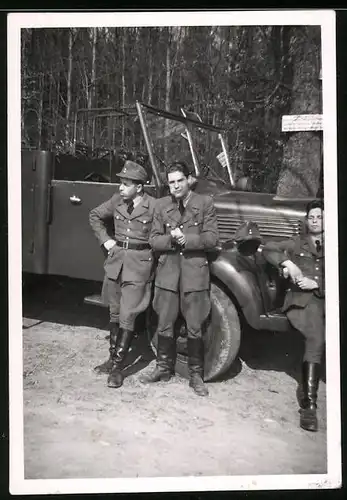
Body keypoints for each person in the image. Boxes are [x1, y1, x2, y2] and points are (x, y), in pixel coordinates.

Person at [140, 161, 219, 396]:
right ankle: (163, 368)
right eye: (171, 182)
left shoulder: (204, 203)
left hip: (194, 273)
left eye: (179, 180)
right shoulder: (161, 205)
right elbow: (153, 240)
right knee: (164, 321)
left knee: (195, 325)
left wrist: (188, 240)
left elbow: (212, 238)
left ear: (189, 180)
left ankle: (196, 375)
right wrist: (172, 241)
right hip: (168, 273)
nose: (175, 186)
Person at [89, 160, 156, 389]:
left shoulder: (153, 206)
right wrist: (106, 241)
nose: (120, 187)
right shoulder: (117, 201)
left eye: (126, 184)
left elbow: (164, 234)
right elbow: (95, 216)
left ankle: (118, 368)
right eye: (121, 182)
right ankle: (111, 359)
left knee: (128, 315)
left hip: (139, 266)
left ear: (139, 187)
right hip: (117, 263)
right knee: (115, 312)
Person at [262, 199, 325, 431]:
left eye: (320, 217)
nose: (316, 221)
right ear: (307, 221)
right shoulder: (298, 242)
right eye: (312, 218)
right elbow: (269, 248)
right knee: (316, 337)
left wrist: (317, 282)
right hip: (302, 302)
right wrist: (288, 261)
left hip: (324, 297)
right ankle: (309, 405)